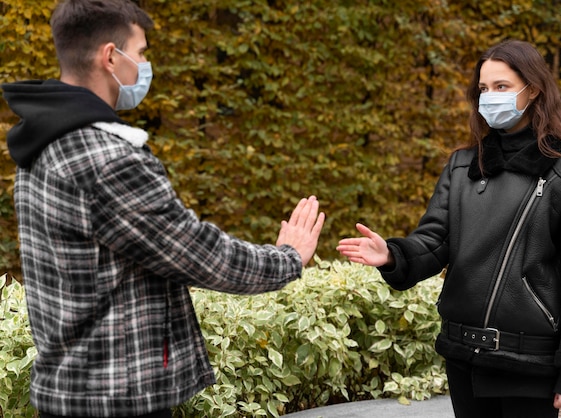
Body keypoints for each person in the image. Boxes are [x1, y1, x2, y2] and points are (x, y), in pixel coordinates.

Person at [1, 1, 325, 417]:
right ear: (110, 57)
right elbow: (197, 253)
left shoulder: (42, 142)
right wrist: (289, 258)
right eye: (140, 52)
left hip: (71, 388)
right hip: (116, 397)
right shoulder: (104, 158)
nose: (144, 65)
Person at [337, 39, 561, 418]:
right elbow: (435, 241)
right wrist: (392, 255)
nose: (489, 97)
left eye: (502, 87)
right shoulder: (463, 164)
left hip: (530, 362)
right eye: (483, 88)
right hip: (462, 354)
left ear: (534, 89)